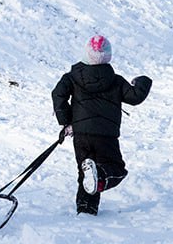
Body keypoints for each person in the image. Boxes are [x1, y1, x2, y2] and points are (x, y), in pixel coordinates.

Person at [51, 35, 152, 216]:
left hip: (81, 134)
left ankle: (86, 210)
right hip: (106, 136)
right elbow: (135, 97)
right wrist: (143, 81)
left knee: (86, 173)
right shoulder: (116, 80)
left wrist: (66, 121)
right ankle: (98, 180)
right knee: (116, 170)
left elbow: (58, 95)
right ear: (108, 56)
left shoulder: (72, 77)